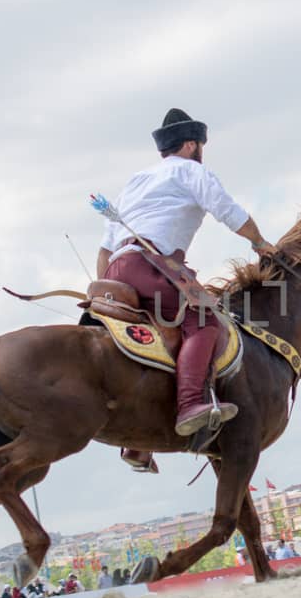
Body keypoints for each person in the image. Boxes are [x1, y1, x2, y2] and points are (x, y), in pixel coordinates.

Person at [94, 108, 278, 469]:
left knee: (159, 334)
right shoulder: (192, 171)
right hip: (151, 263)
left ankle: (138, 441)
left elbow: (104, 247)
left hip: (117, 269)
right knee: (204, 323)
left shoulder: (136, 180)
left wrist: (104, 291)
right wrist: (260, 243)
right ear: (192, 144)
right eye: (200, 146)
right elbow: (227, 209)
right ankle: (192, 402)